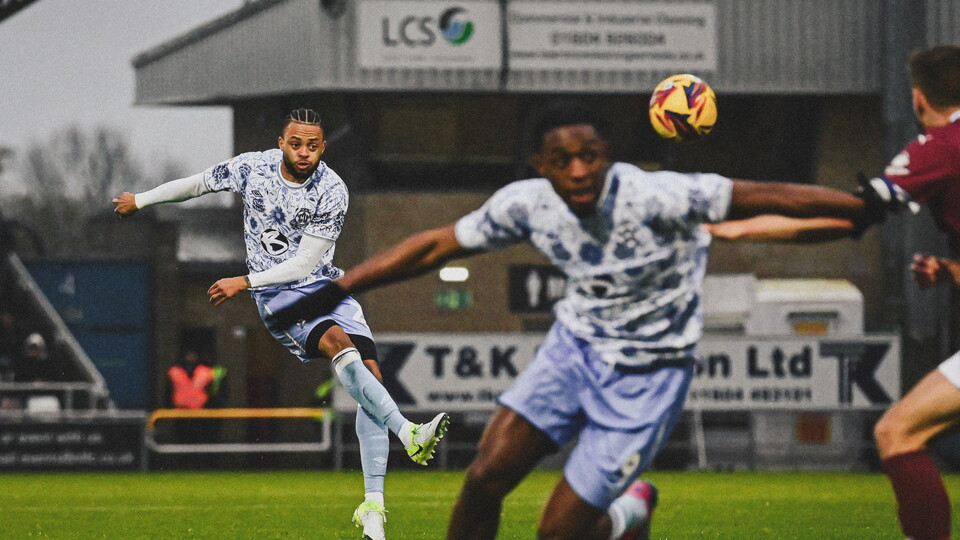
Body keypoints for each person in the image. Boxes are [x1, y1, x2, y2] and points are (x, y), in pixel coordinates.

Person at [270, 101, 901, 540]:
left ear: (607, 155)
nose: (578, 170)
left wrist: (858, 204)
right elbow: (437, 245)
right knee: (484, 480)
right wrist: (340, 287)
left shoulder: (657, 195)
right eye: (561, 158)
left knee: (559, 530)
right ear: (539, 165)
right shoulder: (528, 204)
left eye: (590, 156)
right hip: (573, 353)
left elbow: (766, 194)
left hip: (650, 374)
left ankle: (631, 512)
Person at [112, 108, 449, 540]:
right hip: (279, 297)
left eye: (312, 145)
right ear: (281, 142)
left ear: (323, 148)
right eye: (296, 143)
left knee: (371, 379)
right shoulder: (253, 168)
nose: (304, 152)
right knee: (336, 341)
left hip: (326, 286)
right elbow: (198, 183)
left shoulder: (333, 190)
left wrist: (241, 280)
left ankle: (373, 512)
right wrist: (140, 200)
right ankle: (407, 432)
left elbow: (307, 262)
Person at [707, 44, 960, 540]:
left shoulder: (944, 145)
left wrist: (736, 228)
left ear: (917, 100)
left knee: (897, 432)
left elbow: (854, 213)